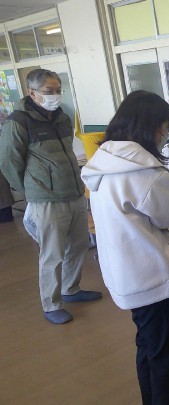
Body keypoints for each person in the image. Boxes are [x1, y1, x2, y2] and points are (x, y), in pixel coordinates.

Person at [80, 90, 169, 405]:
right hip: (153, 274)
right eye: (164, 127)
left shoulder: (103, 161)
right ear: (148, 126)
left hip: (124, 275)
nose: (165, 135)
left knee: (149, 346)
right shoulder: (144, 171)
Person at [0, 68, 101, 324]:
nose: (54, 95)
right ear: (32, 93)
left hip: (73, 192)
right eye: (48, 91)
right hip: (45, 199)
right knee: (52, 253)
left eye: (58, 90)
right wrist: (31, 189)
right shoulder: (18, 121)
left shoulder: (62, 117)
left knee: (78, 245)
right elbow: (9, 161)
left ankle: (70, 289)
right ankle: (51, 303)